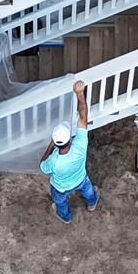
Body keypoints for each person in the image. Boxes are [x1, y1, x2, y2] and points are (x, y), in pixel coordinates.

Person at [39, 81, 97, 224]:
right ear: (69, 139)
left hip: (60, 187)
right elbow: (83, 116)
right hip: (80, 179)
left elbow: (42, 166)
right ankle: (92, 204)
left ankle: (65, 217)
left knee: (60, 202)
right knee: (88, 190)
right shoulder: (80, 145)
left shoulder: (53, 161)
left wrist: (50, 145)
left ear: (56, 141)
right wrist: (79, 93)